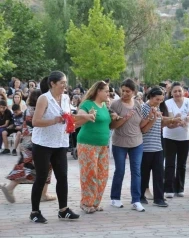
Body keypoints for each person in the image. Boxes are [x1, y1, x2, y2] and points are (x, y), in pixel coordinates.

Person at [29, 71, 92, 224]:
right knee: (42, 177)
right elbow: (35, 122)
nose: (65, 85)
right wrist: (54, 120)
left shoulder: (65, 98)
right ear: (53, 84)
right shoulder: (44, 99)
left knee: (62, 176)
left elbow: (69, 117)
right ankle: (35, 212)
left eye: (65, 82)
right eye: (62, 82)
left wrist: (85, 117)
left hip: (60, 143)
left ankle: (63, 210)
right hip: (43, 143)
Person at [0, 90, 56, 204]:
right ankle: (42, 194)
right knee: (44, 166)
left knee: (27, 165)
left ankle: (11, 188)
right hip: (36, 142)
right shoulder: (39, 110)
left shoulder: (27, 110)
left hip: (25, 142)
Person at [109, 79, 149, 212]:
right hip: (120, 142)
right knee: (120, 170)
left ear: (134, 92)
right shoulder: (116, 105)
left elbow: (141, 125)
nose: (125, 93)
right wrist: (125, 117)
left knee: (136, 171)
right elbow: (112, 126)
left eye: (128, 91)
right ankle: (115, 198)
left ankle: (136, 200)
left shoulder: (138, 104)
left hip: (137, 142)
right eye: (123, 90)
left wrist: (151, 117)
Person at [76, 81, 111, 213]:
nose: (108, 93)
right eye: (106, 91)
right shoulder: (88, 104)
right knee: (89, 174)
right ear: (98, 91)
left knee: (102, 174)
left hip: (102, 145)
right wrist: (87, 115)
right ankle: (86, 203)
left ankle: (95, 203)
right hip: (87, 143)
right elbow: (79, 116)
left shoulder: (104, 105)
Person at [140, 87, 175, 207]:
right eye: (157, 99)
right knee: (144, 173)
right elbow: (143, 129)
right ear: (150, 97)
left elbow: (159, 124)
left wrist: (172, 120)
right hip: (145, 146)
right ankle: (140, 195)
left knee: (159, 173)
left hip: (158, 145)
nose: (159, 101)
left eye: (161, 99)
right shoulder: (144, 107)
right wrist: (152, 117)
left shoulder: (157, 107)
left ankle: (159, 198)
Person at [163, 82, 189, 198]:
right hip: (170, 137)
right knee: (170, 163)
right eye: (175, 91)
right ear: (171, 93)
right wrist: (181, 121)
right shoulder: (167, 103)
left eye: (179, 91)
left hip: (185, 137)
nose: (177, 93)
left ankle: (180, 188)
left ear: (183, 92)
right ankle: (168, 188)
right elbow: (171, 119)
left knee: (182, 164)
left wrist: (184, 120)